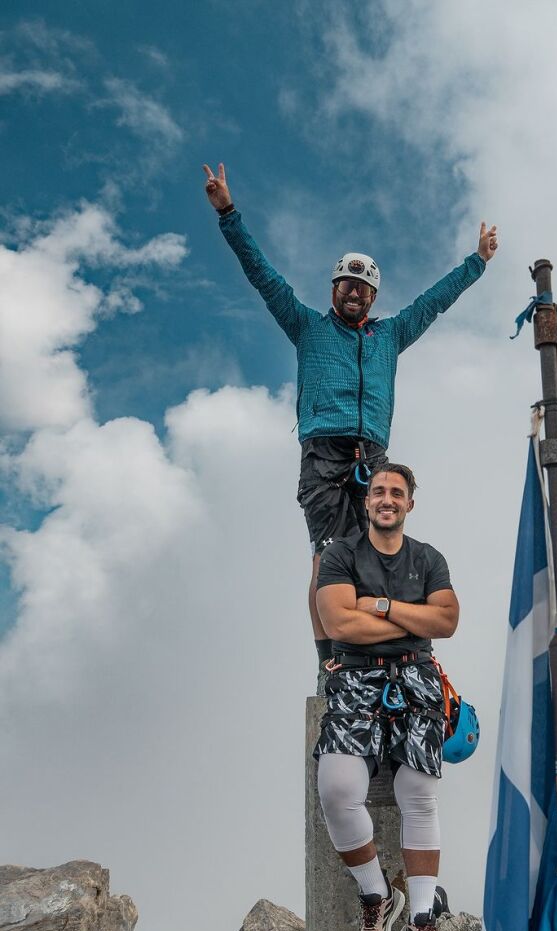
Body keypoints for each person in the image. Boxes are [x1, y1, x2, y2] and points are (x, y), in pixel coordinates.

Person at [202, 163, 498, 691]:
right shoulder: (308, 328)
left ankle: (374, 651)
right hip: (324, 451)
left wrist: (477, 262)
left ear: (373, 296)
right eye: (347, 283)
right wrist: (228, 212)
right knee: (329, 557)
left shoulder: (390, 335)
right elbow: (262, 275)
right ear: (334, 287)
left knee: (374, 556)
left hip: (374, 453)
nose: (354, 292)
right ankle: (329, 660)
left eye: (363, 286)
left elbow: (433, 302)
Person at [313, 462, 457, 931]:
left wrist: (375, 607)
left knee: (418, 791)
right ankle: (377, 896)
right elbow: (336, 622)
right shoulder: (340, 554)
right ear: (368, 501)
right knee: (337, 789)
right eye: (378, 492)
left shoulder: (428, 558)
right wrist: (406, 616)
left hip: (416, 678)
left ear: (410, 502)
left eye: (397, 492)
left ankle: (421, 914)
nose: (387, 499)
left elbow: (445, 621)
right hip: (355, 679)